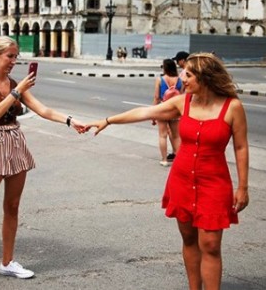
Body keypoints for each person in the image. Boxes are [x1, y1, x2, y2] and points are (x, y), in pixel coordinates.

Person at [86, 52, 249, 290]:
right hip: (181, 180)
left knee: (211, 244)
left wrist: (243, 187)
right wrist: (108, 120)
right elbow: (144, 112)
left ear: (205, 78)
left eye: (189, 75)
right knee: (189, 239)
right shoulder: (182, 103)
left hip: (214, 183)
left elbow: (241, 147)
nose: (183, 79)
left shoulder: (232, 107)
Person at [0, 36, 87, 289]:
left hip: (14, 142)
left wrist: (70, 120)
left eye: (16, 56)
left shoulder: (14, 83)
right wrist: (16, 91)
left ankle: (7, 261)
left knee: (12, 207)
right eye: (10, 56)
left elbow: (42, 110)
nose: (14, 61)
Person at [154, 59, 183, 166]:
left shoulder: (160, 80)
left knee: (163, 135)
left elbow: (156, 97)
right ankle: (180, 159)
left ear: (165, 68)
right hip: (175, 109)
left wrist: (153, 112)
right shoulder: (180, 80)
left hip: (162, 108)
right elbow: (182, 95)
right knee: (176, 136)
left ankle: (164, 159)